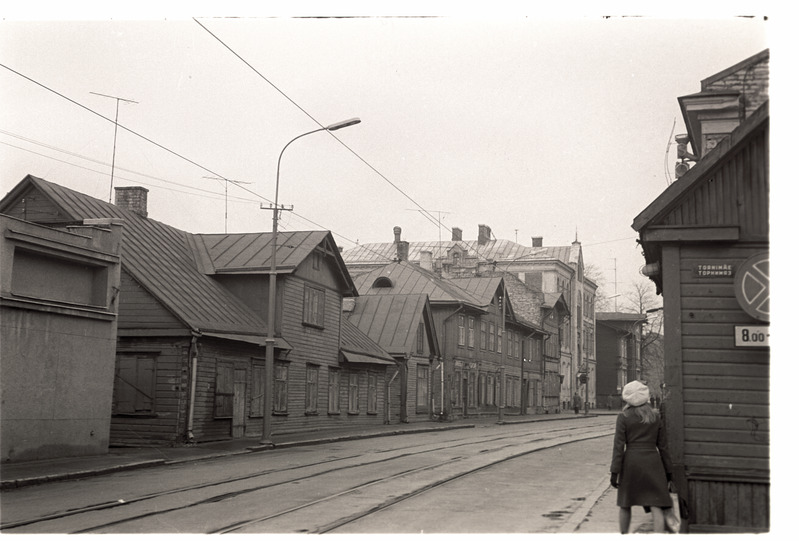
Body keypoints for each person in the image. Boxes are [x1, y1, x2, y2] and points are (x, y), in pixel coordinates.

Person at [609, 380, 673, 534]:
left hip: (631, 463)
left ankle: (624, 535)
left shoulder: (623, 417)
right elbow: (663, 446)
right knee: (655, 505)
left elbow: (618, 447)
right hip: (653, 463)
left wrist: (614, 472)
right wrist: (668, 471)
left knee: (625, 504)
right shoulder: (655, 416)